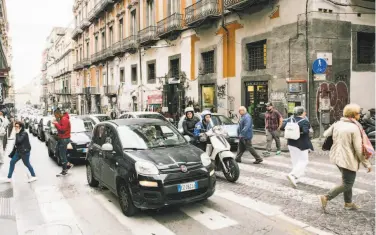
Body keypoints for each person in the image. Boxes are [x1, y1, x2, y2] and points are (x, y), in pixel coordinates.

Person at [318, 104, 372, 211]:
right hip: (347, 159)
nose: (359, 115)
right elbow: (358, 149)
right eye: (358, 113)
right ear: (353, 114)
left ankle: (348, 203)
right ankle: (326, 197)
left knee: (346, 180)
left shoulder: (338, 123)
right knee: (348, 183)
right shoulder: (354, 127)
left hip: (337, 157)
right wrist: (367, 163)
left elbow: (325, 134)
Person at [281, 106, 313, 188]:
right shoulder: (304, 121)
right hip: (301, 144)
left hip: (291, 143)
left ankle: (296, 178)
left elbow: (282, 127)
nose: (305, 113)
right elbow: (306, 132)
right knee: (304, 160)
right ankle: (292, 175)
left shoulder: (289, 119)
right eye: (304, 112)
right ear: (302, 113)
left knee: (295, 161)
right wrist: (300, 130)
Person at [53, 109, 73, 176]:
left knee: (62, 155)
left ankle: (66, 168)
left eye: (55, 115)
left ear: (58, 114)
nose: (55, 117)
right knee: (57, 153)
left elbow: (63, 129)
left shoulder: (64, 119)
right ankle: (66, 166)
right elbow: (61, 129)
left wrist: (56, 124)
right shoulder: (61, 119)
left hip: (64, 139)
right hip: (61, 138)